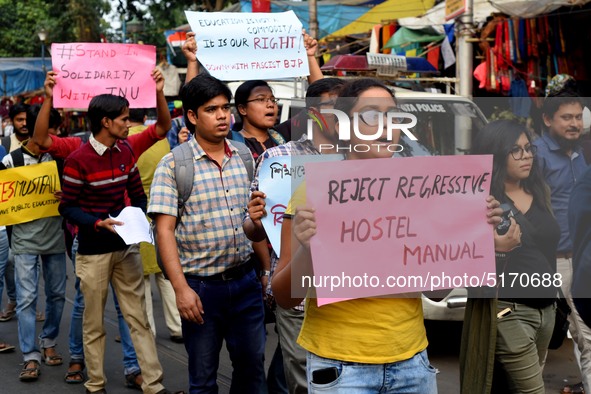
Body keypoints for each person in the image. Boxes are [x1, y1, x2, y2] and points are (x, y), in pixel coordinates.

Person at [246, 78, 504, 393]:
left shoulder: (421, 191)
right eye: (370, 115)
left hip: (413, 362)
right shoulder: (312, 192)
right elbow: (286, 298)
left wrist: (473, 231)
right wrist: (310, 251)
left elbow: (437, 292)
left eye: (393, 117)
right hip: (340, 369)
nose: (385, 126)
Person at [34, 69, 172, 389]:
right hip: (92, 251)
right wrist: (97, 223)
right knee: (93, 324)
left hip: (126, 248)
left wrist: (140, 217)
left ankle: (154, 384)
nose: (130, 122)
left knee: (138, 319)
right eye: (124, 118)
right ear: (106, 122)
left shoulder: (126, 151)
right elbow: (66, 207)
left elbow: (137, 193)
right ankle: (95, 385)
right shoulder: (77, 159)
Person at [149, 73, 266, 394]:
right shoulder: (173, 166)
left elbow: (254, 225)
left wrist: (265, 265)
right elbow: (164, 232)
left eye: (225, 108)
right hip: (201, 289)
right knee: (203, 378)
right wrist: (181, 290)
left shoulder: (243, 157)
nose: (223, 116)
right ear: (191, 115)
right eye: (212, 110)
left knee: (253, 369)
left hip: (245, 284)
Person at [246, 77, 346, 394]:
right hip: (298, 295)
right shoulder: (278, 159)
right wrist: (255, 219)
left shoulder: (361, 159)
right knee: (305, 381)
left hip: (348, 293)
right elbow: (252, 229)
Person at [460, 120, 559, 393]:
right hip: (507, 309)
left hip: (546, 311)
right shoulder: (483, 202)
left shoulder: (539, 191)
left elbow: (548, 252)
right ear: (496, 154)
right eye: (515, 150)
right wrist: (499, 250)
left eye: (528, 148)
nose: (526, 156)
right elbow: (470, 267)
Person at [2, 105, 68, 382]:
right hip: (24, 241)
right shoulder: (11, 162)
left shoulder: (62, 160)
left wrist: (66, 194)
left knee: (56, 295)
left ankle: (49, 340)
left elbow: (76, 194)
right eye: (50, 131)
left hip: (55, 239)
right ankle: (31, 355)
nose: (53, 137)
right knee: (27, 299)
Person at [533, 90, 590, 394]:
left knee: (586, 337)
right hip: (544, 260)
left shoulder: (581, 152)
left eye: (578, 117)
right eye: (566, 117)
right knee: (538, 340)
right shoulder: (535, 155)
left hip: (576, 261)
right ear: (547, 119)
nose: (574, 124)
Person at [127, 108, 183, 343]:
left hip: (134, 215)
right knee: (166, 273)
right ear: (144, 118)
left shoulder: (126, 145)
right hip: (163, 212)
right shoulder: (162, 143)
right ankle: (178, 325)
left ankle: (146, 328)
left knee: (139, 278)